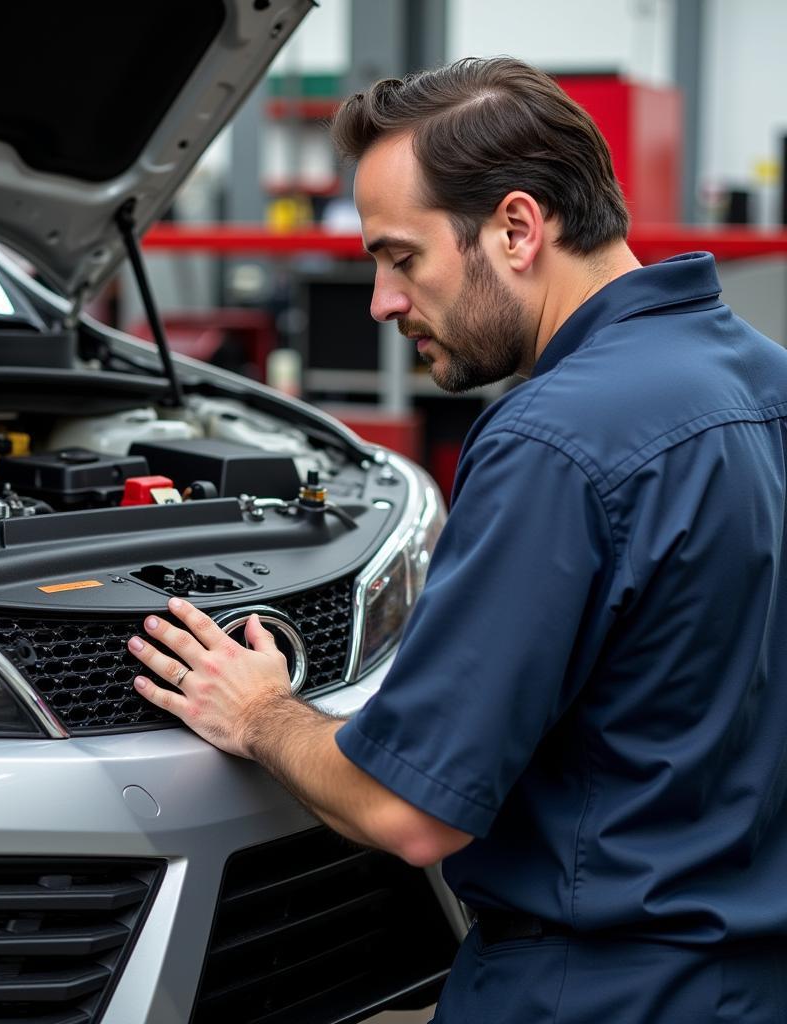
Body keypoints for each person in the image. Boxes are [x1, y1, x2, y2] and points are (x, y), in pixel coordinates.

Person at [127, 57, 787, 1022]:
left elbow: (407, 811)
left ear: (518, 228)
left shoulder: (554, 442)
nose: (383, 302)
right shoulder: (766, 381)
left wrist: (261, 711)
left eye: (402, 258)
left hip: (589, 992)